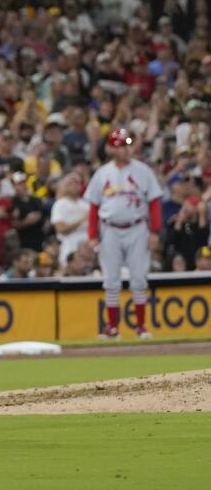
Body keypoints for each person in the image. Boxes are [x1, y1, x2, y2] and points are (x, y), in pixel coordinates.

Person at [84, 128, 163, 338]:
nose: (125, 150)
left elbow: (154, 202)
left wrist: (155, 231)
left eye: (127, 145)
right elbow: (93, 207)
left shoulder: (143, 171)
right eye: (120, 146)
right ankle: (113, 327)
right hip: (109, 229)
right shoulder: (102, 173)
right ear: (111, 148)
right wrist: (92, 235)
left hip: (137, 227)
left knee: (138, 278)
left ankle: (141, 326)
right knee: (111, 280)